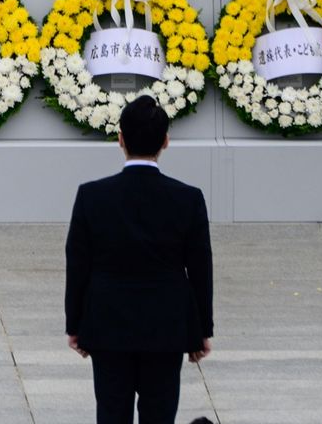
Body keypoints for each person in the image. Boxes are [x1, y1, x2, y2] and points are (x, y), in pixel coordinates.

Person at [64, 95, 214, 424]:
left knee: (112, 414)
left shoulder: (92, 196)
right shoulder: (188, 199)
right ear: (165, 142)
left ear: (120, 139)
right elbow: (200, 267)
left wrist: (75, 324)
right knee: (159, 416)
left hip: (107, 323)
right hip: (167, 325)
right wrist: (202, 328)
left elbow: (77, 265)